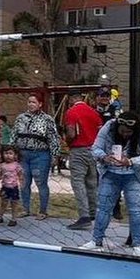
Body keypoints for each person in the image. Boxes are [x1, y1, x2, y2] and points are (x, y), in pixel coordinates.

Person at [82, 112, 140, 257]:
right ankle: (96, 241)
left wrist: (130, 161)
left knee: (136, 210)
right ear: (117, 127)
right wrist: (104, 157)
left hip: (134, 176)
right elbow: (95, 148)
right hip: (111, 174)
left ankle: (137, 244)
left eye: (129, 132)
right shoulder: (108, 127)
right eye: (122, 131)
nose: (126, 134)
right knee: (104, 208)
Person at [13, 94, 60, 219]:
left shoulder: (47, 119)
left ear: (40, 104)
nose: (31, 104)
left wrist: (55, 155)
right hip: (23, 154)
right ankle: (25, 209)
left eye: (34, 102)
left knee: (41, 183)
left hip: (40, 155)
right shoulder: (20, 118)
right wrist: (11, 151)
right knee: (24, 182)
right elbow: (14, 135)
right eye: (29, 102)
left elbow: (53, 138)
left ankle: (43, 211)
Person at [63, 92, 103, 230]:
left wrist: (67, 142)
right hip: (93, 149)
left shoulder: (71, 112)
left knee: (78, 182)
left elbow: (71, 133)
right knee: (92, 182)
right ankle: (94, 212)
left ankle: (84, 215)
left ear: (72, 99)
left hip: (78, 149)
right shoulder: (94, 112)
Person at [0, 145, 22, 225]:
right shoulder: (2, 165)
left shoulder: (16, 165)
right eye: (6, 153)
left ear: (15, 155)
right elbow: (1, 175)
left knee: (14, 203)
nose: (8, 155)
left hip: (13, 187)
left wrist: (22, 183)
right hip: (5, 187)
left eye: (10, 153)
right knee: (3, 202)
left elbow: (20, 175)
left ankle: (13, 218)